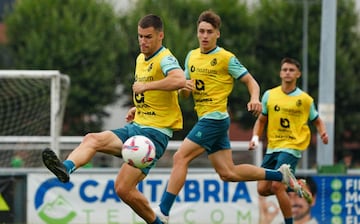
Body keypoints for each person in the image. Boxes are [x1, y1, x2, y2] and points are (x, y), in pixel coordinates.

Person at [154, 10, 304, 224]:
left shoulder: (226, 58)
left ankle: (164, 211)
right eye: (201, 31)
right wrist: (184, 89)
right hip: (206, 118)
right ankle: (279, 175)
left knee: (180, 157)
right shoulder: (191, 56)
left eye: (209, 32)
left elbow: (251, 81)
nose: (204, 36)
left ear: (218, 34)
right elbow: (185, 92)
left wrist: (255, 98)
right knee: (229, 173)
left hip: (214, 119)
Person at [42, 14, 186, 224]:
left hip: (154, 136)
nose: (143, 41)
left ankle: (158, 222)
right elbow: (156, 95)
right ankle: (65, 168)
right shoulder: (140, 58)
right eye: (140, 36)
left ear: (160, 36)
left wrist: (146, 87)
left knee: (122, 188)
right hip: (138, 126)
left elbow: (179, 79)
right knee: (92, 139)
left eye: (148, 37)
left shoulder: (165, 57)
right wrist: (137, 107)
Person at [249, 57, 329, 224]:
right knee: (262, 189)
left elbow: (317, 120)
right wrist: (255, 138)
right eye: (285, 69)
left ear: (298, 74)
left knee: (278, 186)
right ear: (280, 73)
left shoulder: (305, 99)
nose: (287, 73)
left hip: (292, 146)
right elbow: (262, 120)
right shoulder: (269, 95)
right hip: (273, 147)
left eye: (291, 70)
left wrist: (322, 133)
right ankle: (296, 184)